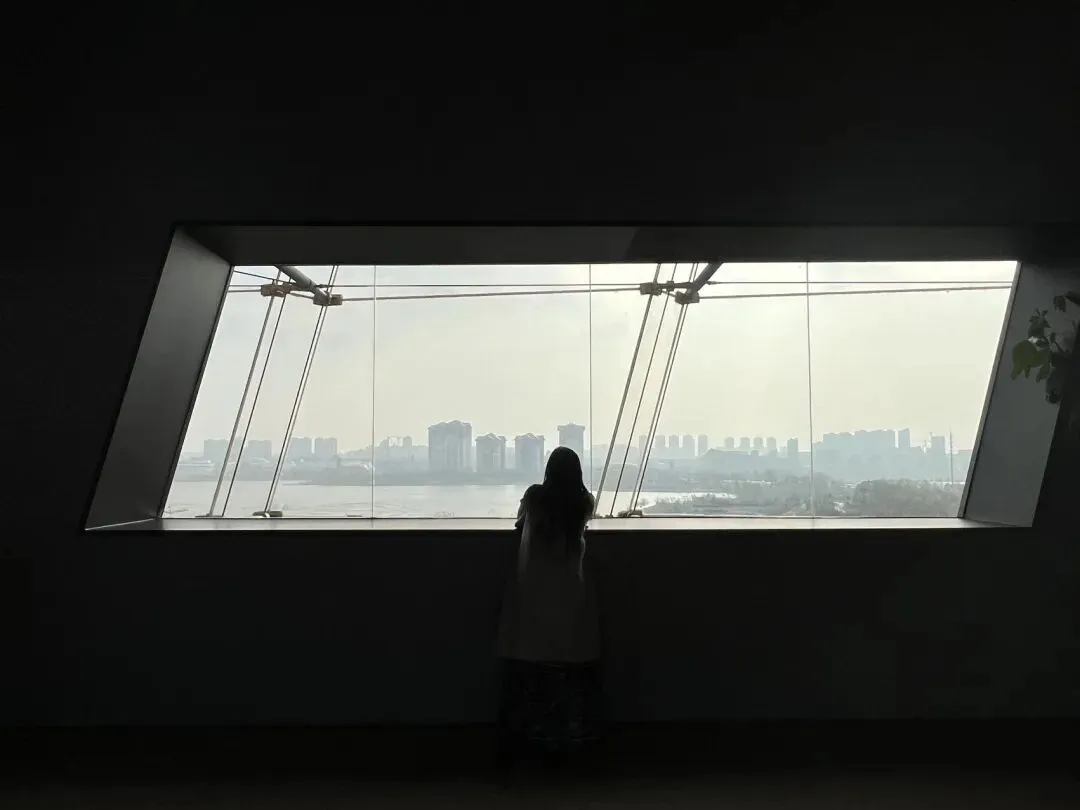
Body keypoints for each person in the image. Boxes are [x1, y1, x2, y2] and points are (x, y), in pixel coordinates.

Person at [495, 446, 603, 771]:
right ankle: (571, 739)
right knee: (571, 671)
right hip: (572, 592)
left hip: (532, 593)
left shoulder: (534, 498)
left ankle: (528, 740)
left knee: (529, 671)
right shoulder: (584, 503)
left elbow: (519, 524)